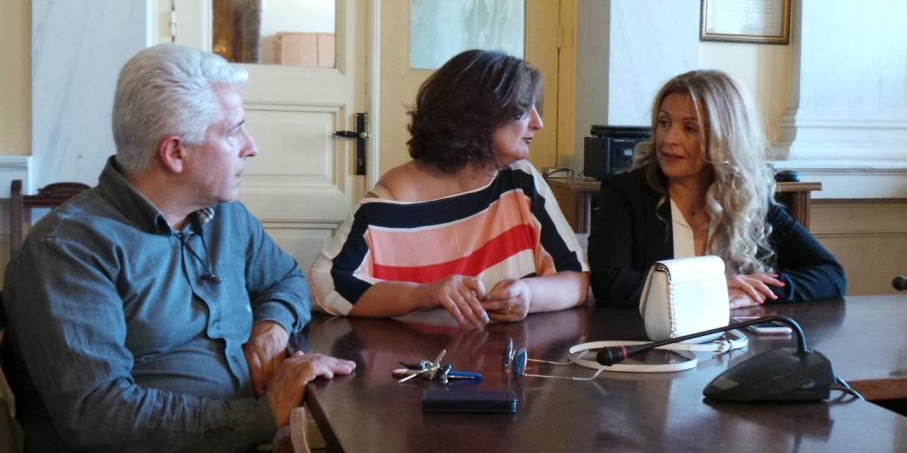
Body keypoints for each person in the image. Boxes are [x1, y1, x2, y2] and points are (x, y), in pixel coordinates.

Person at [2, 44, 355, 451]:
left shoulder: (227, 217)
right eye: (232, 131)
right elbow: (100, 415)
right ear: (174, 152)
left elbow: (286, 279)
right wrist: (266, 414)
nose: (250, 146)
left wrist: (272, 326)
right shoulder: (67, 251)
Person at [310, 50, 589, 326]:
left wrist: (529, 294)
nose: (538, 123)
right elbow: (325, 284)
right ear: (476, 115)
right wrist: (420, 295)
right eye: (521, 111)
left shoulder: (522, 183)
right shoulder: (387, 206)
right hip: (415, 355)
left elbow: (577, 279)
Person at [588, 69, 846, 309]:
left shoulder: (748, 199)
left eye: (689, 128)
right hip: (651, 340)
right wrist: (710, 288)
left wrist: (755, 291)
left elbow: (830, 274)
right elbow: (610, 286)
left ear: (725, 138)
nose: (669, 139)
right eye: (664, 122)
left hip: (736, 339)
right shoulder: (625, 194)